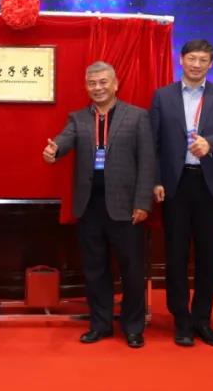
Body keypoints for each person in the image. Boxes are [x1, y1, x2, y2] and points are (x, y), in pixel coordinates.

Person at [43, 61, 155, 348]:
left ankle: (133, 327)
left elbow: (147, 162)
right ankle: (100, 324)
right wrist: (54, 150)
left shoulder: (137, 116)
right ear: (86, 87)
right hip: (89, 207)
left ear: (115, 84)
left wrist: (142, 202)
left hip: (126, 208)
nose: (98, 88)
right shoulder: (78, 118)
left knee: (132, 271)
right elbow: (64, 140)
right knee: (95, 270)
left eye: (103, 82)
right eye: (92, 83)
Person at [149, 39, 213, 347]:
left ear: (211, 64)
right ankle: (181, 320)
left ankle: (202, 319)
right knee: (175, 255)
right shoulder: (163, 96)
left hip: (210, 184)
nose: (197, 64)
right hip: (175, 185)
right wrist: (156, 180)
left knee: (208, 255)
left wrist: (211, 143)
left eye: (203, 60)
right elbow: (153, 141)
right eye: (192, 58)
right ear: (181, 60)